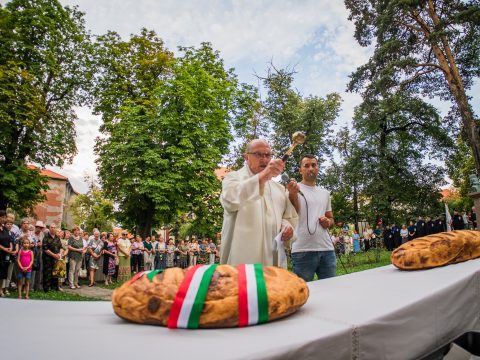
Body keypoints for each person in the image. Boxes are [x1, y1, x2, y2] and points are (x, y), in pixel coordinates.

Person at [220, 139, 297, 266]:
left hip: (273, 260)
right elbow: (230, 201)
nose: (264, 159)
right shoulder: (233, 178)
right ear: (246, 157)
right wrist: (264, 176)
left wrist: (287, 227)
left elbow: (287, 217)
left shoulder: (279, 188)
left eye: (267, 155)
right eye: (258, 154)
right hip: (242, 260)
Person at [287, 154, 335, 281]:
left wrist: (328, 222)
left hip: (327, 250)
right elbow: (292, 214)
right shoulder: (293, 189)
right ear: (300, 170)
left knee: (332, 290)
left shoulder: (325, 193)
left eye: (313, 165)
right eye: (306, 166)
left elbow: (331, 219)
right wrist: (292, 194)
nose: (310, 168)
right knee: (302, 291)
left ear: (318, 168)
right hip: (302, 250)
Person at [42, 223, 62, 292]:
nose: (53, 229)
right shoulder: (46, 237)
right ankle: (47, 289)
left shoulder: (57, 237)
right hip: (48, 259)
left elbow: (60, 247)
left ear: (56, 229)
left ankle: (55, 288)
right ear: (49, 228)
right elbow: (45, 249)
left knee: (56, 274)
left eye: (54, 227)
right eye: (51, 227)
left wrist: (60, 254)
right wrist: (54, 255)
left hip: (56, 259)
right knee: (47, 274)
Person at [0, 211, 13, 297]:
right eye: (3, 217)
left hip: (6, 254)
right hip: (0, 252)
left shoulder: (5, 228)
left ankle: (1, 289)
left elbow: (10, 239)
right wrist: (4, 249)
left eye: (5, 217)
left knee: (3, 272)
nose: (4, 219)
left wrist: (11, 248)